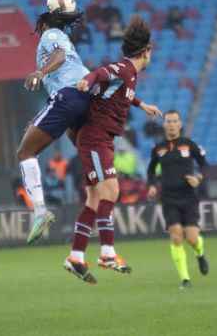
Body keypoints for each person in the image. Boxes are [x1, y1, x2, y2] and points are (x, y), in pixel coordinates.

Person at [65, 15, 161, 284]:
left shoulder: (130, 76)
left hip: (98, 138)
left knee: (94, 198)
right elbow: (103, 72)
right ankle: (107, 253)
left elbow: (119, 92)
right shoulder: (125, 69)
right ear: (146, 51)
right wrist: (87, 79)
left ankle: (76, 256)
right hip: (96, 138)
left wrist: (142, 105)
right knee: (111, 191)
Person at [17, 0, 92, 245]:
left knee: (25, 152)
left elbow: (58, 56)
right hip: (84, 97)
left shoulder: (51, 35)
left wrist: (39, 71)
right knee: (86, 151)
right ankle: (100, 211)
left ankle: (40, 211)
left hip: (67, 97)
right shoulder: (65, 37)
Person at [146, 110, 209, 290]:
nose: (172, 124)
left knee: (192, 238)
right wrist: (151, 185)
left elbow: (204, 165)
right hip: (168, 198)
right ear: (164, 124)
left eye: (175, 121)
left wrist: (198, 178)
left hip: (189, 197)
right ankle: (185, 279)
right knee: (176, 237)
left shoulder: (189, 145)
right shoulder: (158, 148)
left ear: (180, 124)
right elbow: (151, 171)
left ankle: (200, 254)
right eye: (168, 121)